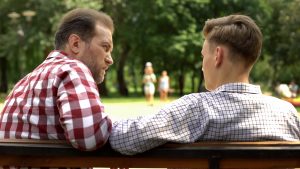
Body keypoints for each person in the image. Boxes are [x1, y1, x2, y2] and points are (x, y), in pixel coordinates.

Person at [109, 14, 300, 155]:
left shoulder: (198, 108)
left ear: (217, 55)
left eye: (203, 56)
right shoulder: (287, 113)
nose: (202, 66)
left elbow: (122, 139)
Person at [0, 8, 114, 151]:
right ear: (75, 44)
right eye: (105, 47)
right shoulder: (72, 69)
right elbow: (89, 138)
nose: (110, 60)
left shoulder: (23, 83)